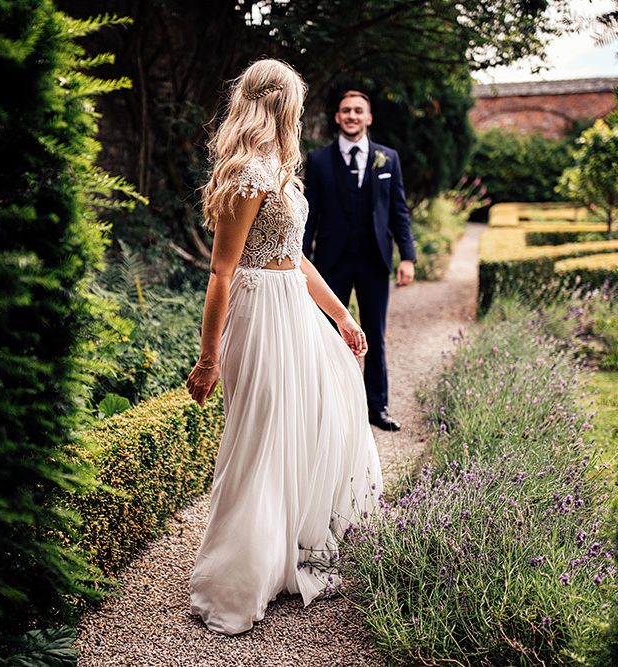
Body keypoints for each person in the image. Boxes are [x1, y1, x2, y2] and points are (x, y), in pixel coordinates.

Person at [185, 59, 383, 636]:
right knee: (263, 442)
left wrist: (342, 314)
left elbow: (293, 256)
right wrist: (209, 356)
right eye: (296, 102)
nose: (301, 112)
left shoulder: (279, 169)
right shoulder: (247, 171)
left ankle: (284, 554)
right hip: (258, 315)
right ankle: (236, 581)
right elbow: (222, 273)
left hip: (293, 308)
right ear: (278, 103)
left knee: (316, 419)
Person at [302, 90, 416, 432]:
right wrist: (299, 260)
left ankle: (377, 408)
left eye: (358, 111)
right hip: (330, 262)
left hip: (374, 260)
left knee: (374, 335)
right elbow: (309, 215)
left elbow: (399, 211)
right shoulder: (319, 160)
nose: (352, 115)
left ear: (368, 118)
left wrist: (407, 256)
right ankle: (331, 409)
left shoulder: (388, 158)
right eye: (345, 111)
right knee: (330, 333)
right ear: (337, 118)